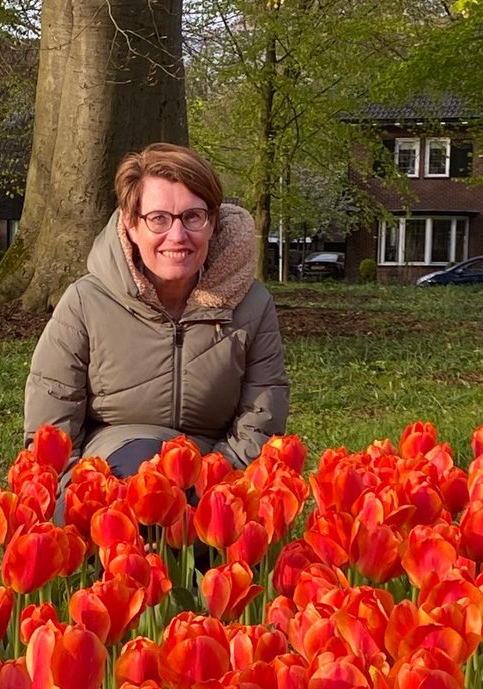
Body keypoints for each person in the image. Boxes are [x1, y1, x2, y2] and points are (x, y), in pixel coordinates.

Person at [24, 142, 290, 488]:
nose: (177, 236)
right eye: (158, 219)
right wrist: (74, 495)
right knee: (146, 481)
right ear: (131, 226)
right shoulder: (86, 302)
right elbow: (52, 418)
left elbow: (262, 416)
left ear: (213, 223)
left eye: (193, 217)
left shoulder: (251, 305)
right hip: (112, 464)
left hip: (213, 466)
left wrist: (218, 483)